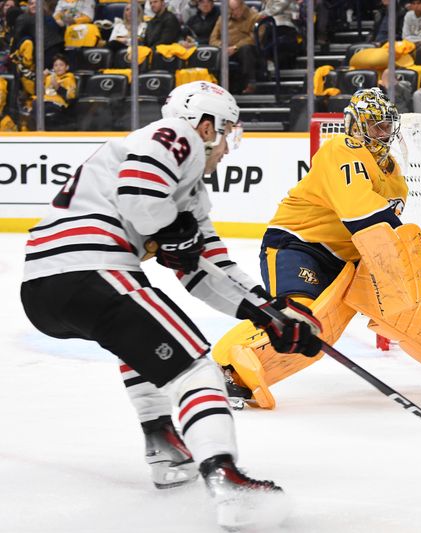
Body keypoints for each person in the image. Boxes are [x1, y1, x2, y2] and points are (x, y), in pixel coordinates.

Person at [20, 81, 322, 530]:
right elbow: (141, 200)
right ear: (206, 124)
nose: (227, 147)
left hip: (45, 289)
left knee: (138, 343)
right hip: (90, 267)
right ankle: (225, 477)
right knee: (196, 367)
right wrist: (172, 229)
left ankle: (164, 444)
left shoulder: (189, 190)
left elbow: (205, 271)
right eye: (227, 132)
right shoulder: (175, 138)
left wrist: (268, 312)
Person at [211, 88, 421, 410]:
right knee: (303, 316)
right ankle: (226, 369)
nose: (381, 134)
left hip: (353, 260)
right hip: (299, 245)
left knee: (409, 308)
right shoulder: (341, 149)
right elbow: (362, 216)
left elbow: (379, 236)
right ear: (355, 126)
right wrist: (408, 257)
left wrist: (410, 273)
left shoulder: (395, 178)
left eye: (385, 127)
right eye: (373, 126)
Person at [210, 0, 259, 94]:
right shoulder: (223, 18)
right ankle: (215, 87)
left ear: (243, 6)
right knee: (213, 53)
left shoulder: (255, 17)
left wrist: (236, 47)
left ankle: (250, 82)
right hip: (225, 49)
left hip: (244, 49)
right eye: (231, 9)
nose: (234, 12)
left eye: (236, 9)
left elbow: (254, 38)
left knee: (246, 49)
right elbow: (213, 39)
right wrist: (223, 47)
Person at [26, 52, 77, 130]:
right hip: (44, 101)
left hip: (57, 104)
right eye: (55, 65)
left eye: (61, 65)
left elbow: (70, 97)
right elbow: (41, 92)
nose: (58, 67)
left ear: (67, 67)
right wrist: (41, 78)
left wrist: (57, 87)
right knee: (34, 106)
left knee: (41, 110)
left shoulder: (69, 79)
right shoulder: (49, 78)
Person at [258, 0, 300, 69]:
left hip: (285, 24)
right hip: (269, 25)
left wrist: (256, 15)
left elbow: (275, 9)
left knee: (269, 33)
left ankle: (268, 60)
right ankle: (265, 61)